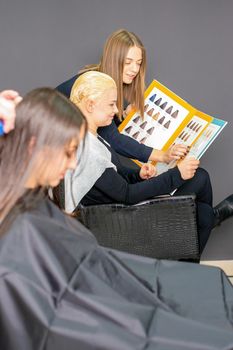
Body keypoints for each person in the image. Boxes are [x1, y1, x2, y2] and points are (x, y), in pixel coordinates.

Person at [1, 87, 233, 350]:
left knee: (205, 287)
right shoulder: (17, 231)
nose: (73, 165)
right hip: (89, 304)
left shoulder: (31, 204)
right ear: (35, 146)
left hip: (99, 283)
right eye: (68, 152)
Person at [65, 71, 233, 254]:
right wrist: (177, 174)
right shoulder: (87, 150)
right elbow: (127, 195)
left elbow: (112, 176)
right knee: (202, 197)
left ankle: (186, 263)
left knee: (203, 205)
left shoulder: (90, 138)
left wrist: (137, 174)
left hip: (119, 211)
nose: (116, 111)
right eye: (112, 104)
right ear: (90, 105)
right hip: (124, 222)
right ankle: (186, 262)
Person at [57, 28, 188, 165]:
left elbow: (103, 129)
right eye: (128, 62)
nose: (135, 69)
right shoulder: (96, 86)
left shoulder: (105, 80)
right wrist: (162, 156)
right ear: (114, 60)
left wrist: (123, 116)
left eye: (138, 63)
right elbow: (113, 139)